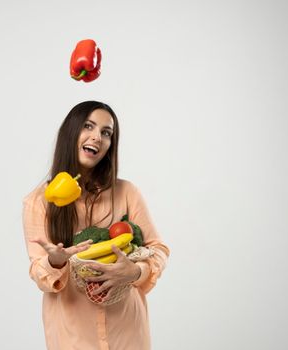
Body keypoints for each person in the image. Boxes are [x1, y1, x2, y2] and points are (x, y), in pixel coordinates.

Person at [22, 100, 170, 350]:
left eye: (106, 133)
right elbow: (39, 272)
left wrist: (135, 272)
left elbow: (158, 248)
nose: (97, 137)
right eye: (88, 127)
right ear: (71, 133)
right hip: (73, 335)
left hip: (127, 329)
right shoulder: (39, 202)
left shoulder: (127, 192)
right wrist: (55, 261)